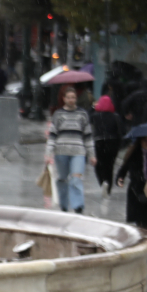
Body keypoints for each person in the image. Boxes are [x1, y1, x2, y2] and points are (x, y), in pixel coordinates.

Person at [45, 86, 96, 214]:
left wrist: (92, 154)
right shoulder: (58, 114)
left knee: (76, 178)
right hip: (61, 152)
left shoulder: (82, 114)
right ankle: (63, 204)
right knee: (63, 178)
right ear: (64, 99)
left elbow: (88, 136)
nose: (71, 100)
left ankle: (78, 206)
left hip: (78, 151)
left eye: (73, 97)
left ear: (76, 99)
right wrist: (48, 153)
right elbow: (52, 135)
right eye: (68, 97)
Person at [91, 95, 124, 195]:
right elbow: (121, 130)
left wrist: (92, 107)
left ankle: (102, 181)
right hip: (113, 143)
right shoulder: (115, 116)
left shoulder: (96, 116)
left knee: (99, 164)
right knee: (110, 166)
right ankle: (108, 186)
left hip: (99, 142)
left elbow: (87, 117)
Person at [115, 135, 147, 229]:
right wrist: (120, 178)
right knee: (139, 219)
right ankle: (142, 237)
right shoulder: (133, 153)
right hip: (136, 189)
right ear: (140, 141)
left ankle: (145, 236)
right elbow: (124, 169)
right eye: (145, 140)